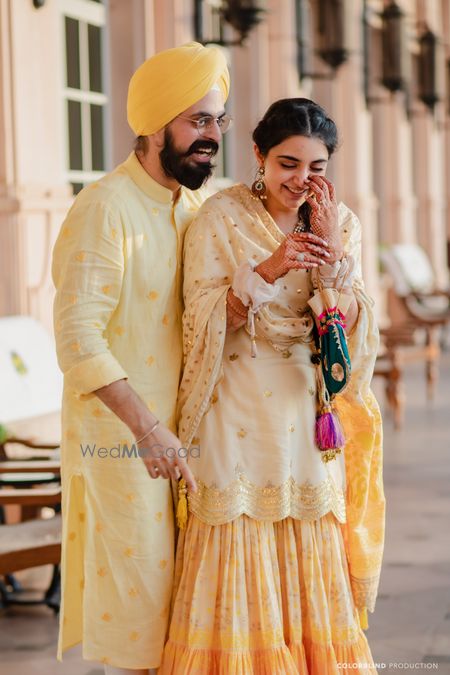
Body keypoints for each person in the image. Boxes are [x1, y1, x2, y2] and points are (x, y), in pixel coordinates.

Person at [160, 98, 385, 674]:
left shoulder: (341, 221)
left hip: (307, 413)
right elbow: (200, 322)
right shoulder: (219, 217)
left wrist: (333, 263)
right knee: (238, 544)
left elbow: (355, 336)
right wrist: (271, 267)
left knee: (309, 545)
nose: (301, 180)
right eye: (288, 163)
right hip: (234, 409)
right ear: (258, 154)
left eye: (315, 167)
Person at [52, 42, 230, 674]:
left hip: (186, 444)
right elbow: (78, 338)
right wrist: (148, 430)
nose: (213, 136)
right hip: (127, 446)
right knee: (137, 623)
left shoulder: (193, 207)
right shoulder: (105, 209)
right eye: (199, 121)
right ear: (156, 125)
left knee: (185, 620)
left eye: (219, 121)